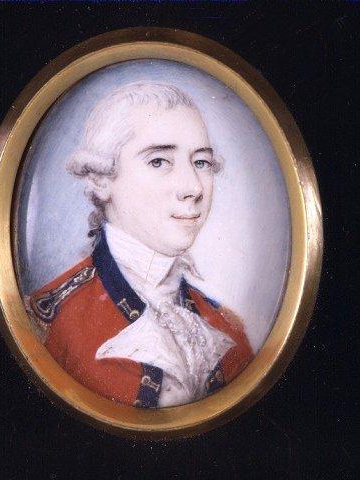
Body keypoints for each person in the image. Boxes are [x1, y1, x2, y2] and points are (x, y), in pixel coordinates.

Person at [25, 82, 253, 408]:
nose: (193, 188)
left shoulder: (227, 329)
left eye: (201, 162)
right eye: (159, 161)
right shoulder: (48, 323)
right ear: (101, 179)